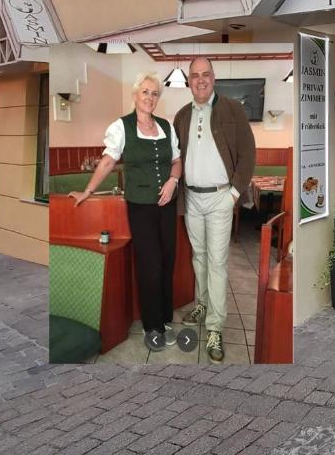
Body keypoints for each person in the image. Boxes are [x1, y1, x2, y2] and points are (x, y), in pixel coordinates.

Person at [70, 72, 182, 350]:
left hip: (167, 206)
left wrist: (173, 180)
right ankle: (152, 327)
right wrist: (88, 190)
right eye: (145, 92)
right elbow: (108, 162)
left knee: (168, 260)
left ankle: (164, 317)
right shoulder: (121, 127)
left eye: (154, 93)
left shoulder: (167, 126)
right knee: (150, 265)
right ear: (135, 95)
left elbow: (177, 161)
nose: (150, 98)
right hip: (141, 206)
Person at [174, 57, 255, 363]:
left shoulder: (233, 108)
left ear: (214, 77)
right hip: (192, 199)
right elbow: (176, 158)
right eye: (195, 76)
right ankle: (202, 303)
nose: (200, 80)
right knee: (199, 257)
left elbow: (248, 154)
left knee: (218, 262)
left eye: (205, 74)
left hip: (221, 198)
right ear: (189, 81)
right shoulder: (181, 116)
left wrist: (233, 193)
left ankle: (215, 328)